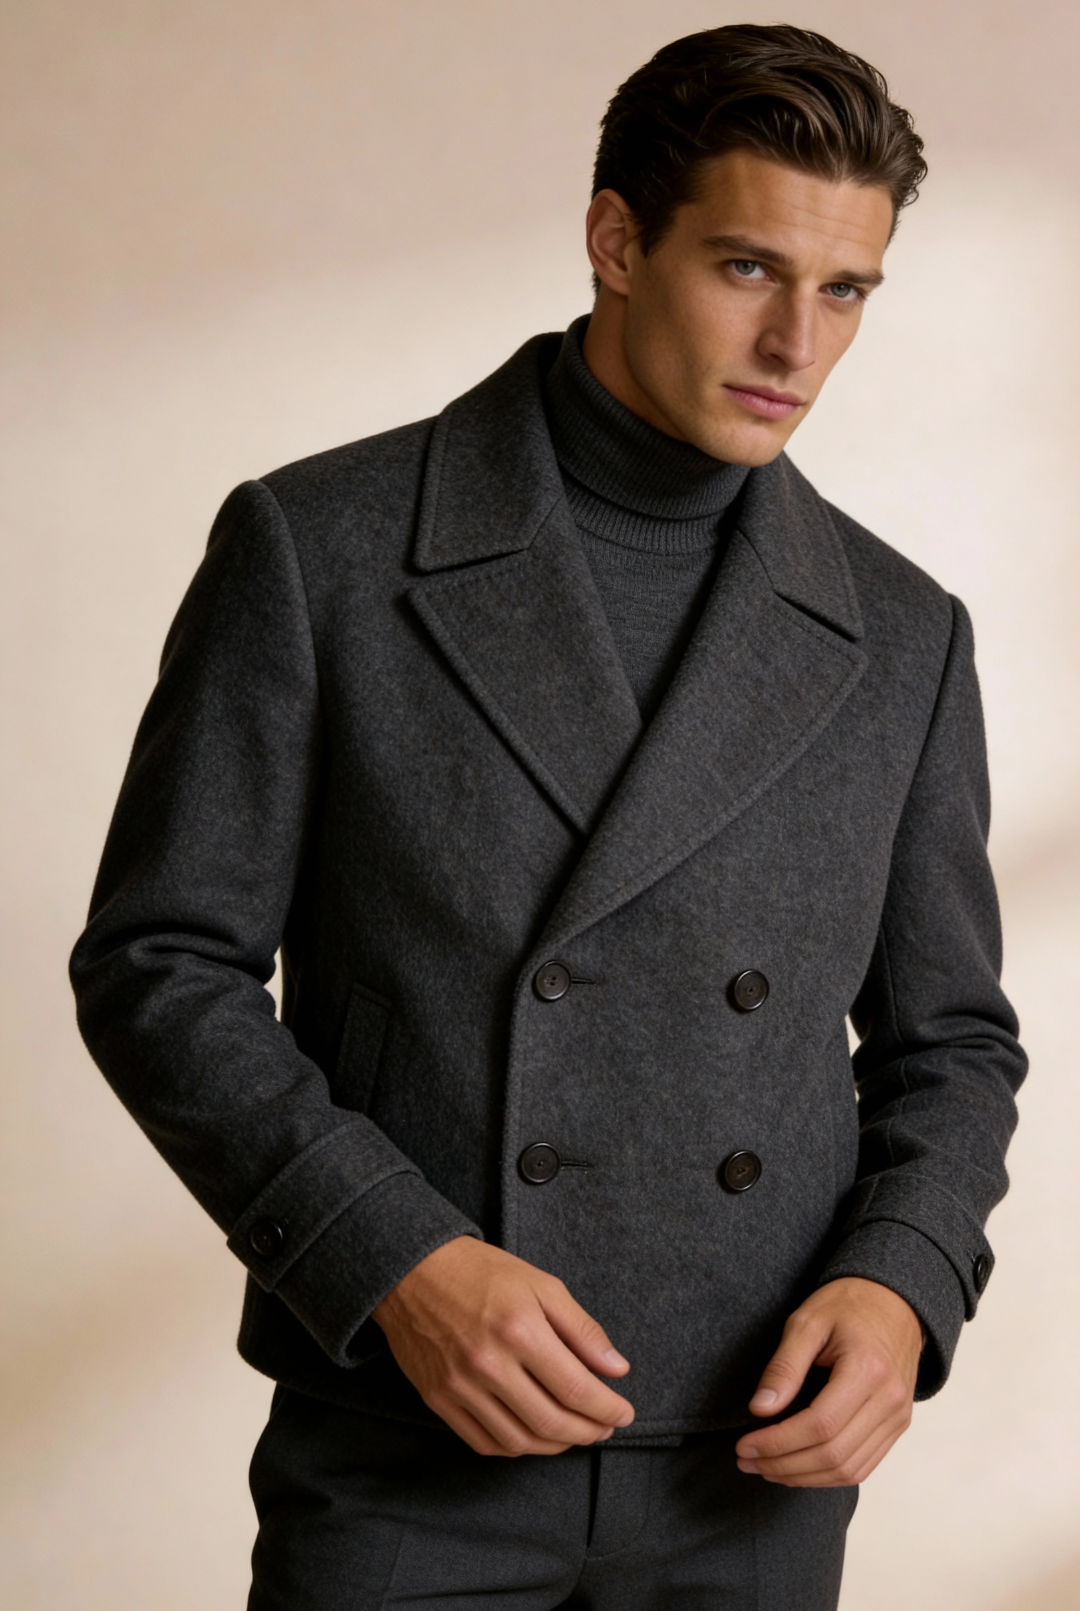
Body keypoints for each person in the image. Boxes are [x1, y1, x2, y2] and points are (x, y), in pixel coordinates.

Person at [70, 23, 1027, 1610]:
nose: (796, 340)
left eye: (847, 289)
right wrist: (392, 1254)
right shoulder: (323, 548)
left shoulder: (901, 633)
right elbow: (159, 962)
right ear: (616, 240)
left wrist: (904, 1279)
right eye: (746, 266)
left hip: (752, 1465)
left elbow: (954, 1042)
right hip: (408, 1445)